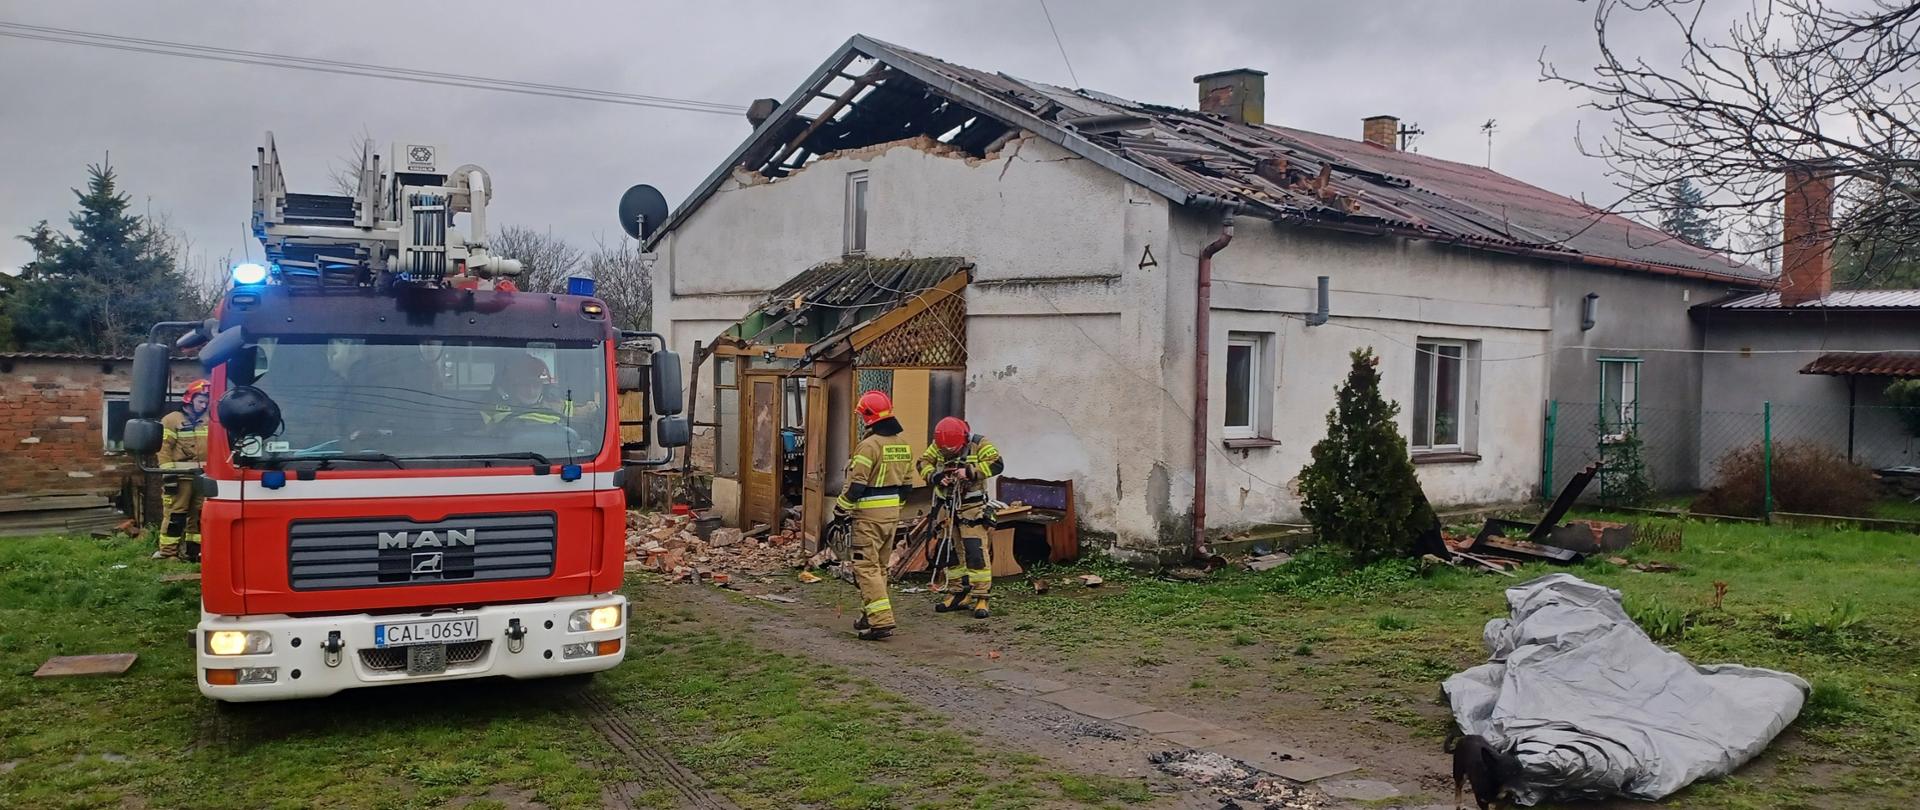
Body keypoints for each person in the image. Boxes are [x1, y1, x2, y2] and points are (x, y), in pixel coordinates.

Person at [837, 390, 914, 640]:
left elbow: (856, 485)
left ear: (868, 416)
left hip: (868, 517)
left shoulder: (869, 446)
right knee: (879, 567)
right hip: (892, 516)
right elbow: (907, 486)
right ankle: (869, 614)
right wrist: (893, 508)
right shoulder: (902, 445)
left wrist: (840, 509)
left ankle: (881, 622)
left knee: (866, 568)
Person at [919, 416, 1004, 619]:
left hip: (972, 507)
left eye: (954, 450)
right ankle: (957, 592)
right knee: (951, 552)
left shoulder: (980, 444)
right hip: (947, 508)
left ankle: (981, 596)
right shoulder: (938, 445)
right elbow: (922, 463)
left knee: (975, 551)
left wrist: (970, 472)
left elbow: (997, 464)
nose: (950, 453)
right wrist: (937, 477)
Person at [155, 379, 211, 562]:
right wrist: (168, 475)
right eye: (201, 401)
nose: (204, 405)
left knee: (200, 515)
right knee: (175, 514)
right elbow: (163, 449)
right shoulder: (172, 420)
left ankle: (194, 552)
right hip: (180, 477)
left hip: (203, 478)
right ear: (190, 399)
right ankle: (168, 553)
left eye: (206, 402)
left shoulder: (209, 420)